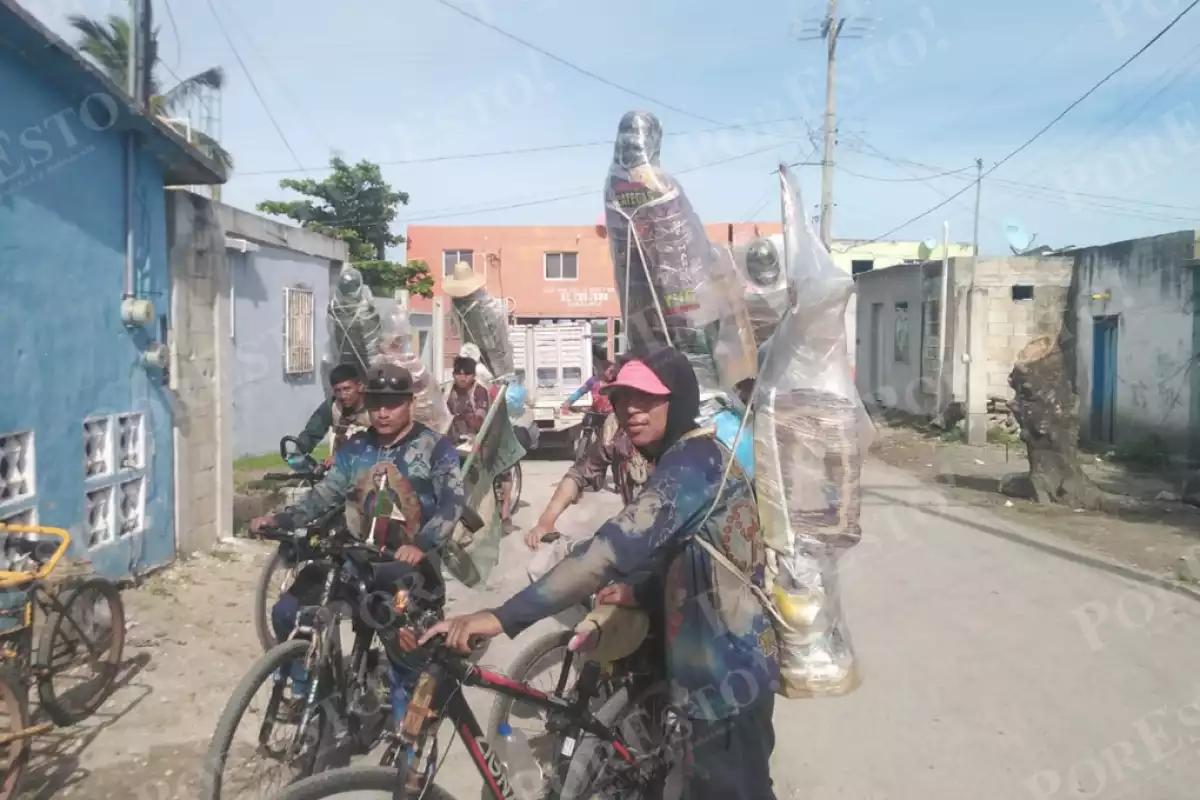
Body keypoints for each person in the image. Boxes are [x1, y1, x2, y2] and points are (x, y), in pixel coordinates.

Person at [421, 348, 778, 800]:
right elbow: (684, 551)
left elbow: (607, 552)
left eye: (646, 399)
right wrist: (639, 589)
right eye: (623, 397)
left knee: (735, 788)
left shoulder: (693, 464)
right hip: (701, 668)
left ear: (680, 400)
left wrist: (500, 617)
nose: (630, 409)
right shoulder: (678, 457)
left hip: (729, 677)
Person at [251, 363, 465, 721]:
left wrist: (422, 542)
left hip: (405, 576)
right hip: (354, 563)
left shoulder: (435, 448)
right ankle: (308, 694)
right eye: (376, 403)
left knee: (406, 650)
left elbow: (453, 503)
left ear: (410, 403)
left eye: (392, 404)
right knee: (287, 611)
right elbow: (324, 495)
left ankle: (405, 751)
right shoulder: (355, 449)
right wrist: (282, 519)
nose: (382, 412)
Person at [295, 363, 371, 464]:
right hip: (339, 470)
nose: (342, 395)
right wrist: (299, 454)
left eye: (347, 389)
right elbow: (311, 433)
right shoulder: (333, 406)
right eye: (337, 390)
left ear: (360, 386)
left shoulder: (376, 407)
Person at [446, 355, 491, 441]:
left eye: (467, 374)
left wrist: (462, 415)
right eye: (459, 374)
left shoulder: (479, 391)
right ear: (453, 374)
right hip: (451, 439)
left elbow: (478, 423)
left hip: (474, 440)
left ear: (474, 375)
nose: (462, 378)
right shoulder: (447, 391)